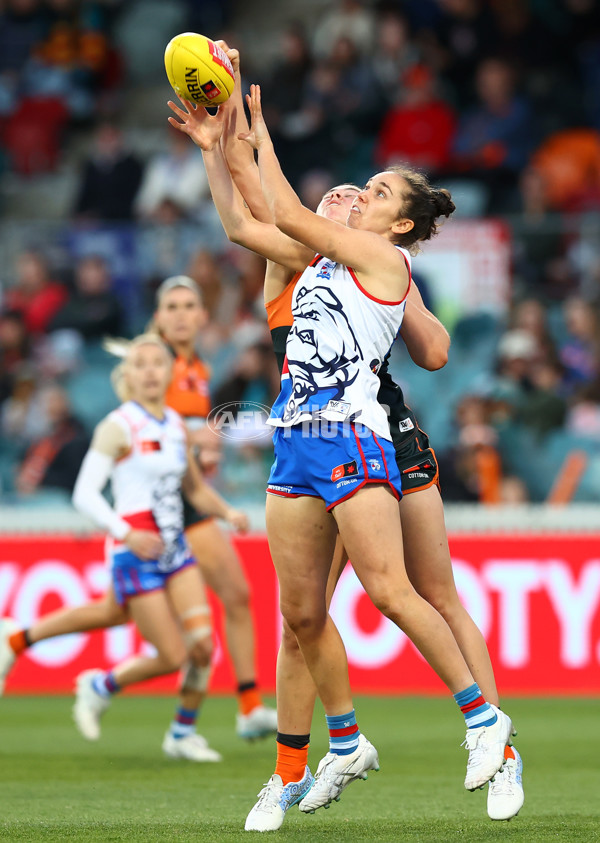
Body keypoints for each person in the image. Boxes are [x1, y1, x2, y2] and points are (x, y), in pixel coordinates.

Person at [167, 75, 518, 829]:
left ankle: (485, 721)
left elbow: (287, 209)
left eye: (378, 191)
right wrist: (212, 149)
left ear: (395, 226)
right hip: (296, 440)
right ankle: (345, 743)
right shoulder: (321, 262)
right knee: (298, 612)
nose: (360, 195)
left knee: (395, 590)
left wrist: (253, 131)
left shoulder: (384, 263)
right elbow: (242, 224)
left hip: (357, 435)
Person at [0, 281, 277, 749]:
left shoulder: (194, 368)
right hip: (158, 513)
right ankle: (242, 708)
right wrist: (202, 442)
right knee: (230, 598)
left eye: (191, 306)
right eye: (173, 307)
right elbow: (148, 434)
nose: (183, 315)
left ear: (204, 316)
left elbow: (181, 446)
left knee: (120, 612)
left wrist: (212, 473)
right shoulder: (157, 367)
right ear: (158, 316)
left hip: (178, 506)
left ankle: (21, 640)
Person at [44, 334, 223, 758]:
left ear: (170, 372)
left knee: (202, 647)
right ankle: (99, 684)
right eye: (139, 364)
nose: (149, 371)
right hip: (135, 549)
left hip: (174, 548)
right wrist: (124, 533)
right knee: (172, 655)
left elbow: (193, 489)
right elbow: (84, 494)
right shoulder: (119, 425)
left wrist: (228, 513)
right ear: (128, 375)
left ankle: (182, 734)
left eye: (157, 363)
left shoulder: (176, 426)